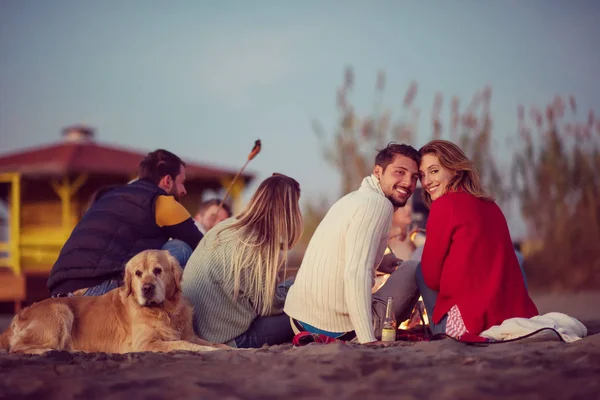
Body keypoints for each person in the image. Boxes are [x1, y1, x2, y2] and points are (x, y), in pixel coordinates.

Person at [284, 143, 422, 344]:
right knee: (414, 268)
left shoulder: (352, 199)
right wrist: (367, 340)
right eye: (399, 172)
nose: (408, 182)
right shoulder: (378, 204)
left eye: (414, 177)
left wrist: (381, 263)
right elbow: (356, 273)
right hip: (340, 330)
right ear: (378, 172)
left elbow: (341, 257)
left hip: (298, 322)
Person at [416, 139, 538, 338]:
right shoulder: (492, 206)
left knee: (420, 271)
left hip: (469, 324)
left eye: (434, 171)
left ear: (455, 169)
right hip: (511, 316)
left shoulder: (444, 206)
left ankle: (434, 329)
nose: (427, 181)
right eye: (422, 175)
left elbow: (430, 278)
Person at [47, 149, 203, 297]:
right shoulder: (161, 201)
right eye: (182, 182)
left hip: (59, 291)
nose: (184, 190)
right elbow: (204, 246)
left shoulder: (108, 196)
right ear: (168, 180)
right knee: (180, 249)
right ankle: (166, 317)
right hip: (98, 291)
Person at [182, 173, 303, 348]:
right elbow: (268, 307)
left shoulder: (228, 226)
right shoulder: (258, 244)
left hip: (194, 330)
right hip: (225, 338)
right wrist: (295, 287)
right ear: (289, 209)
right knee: (302, 314)